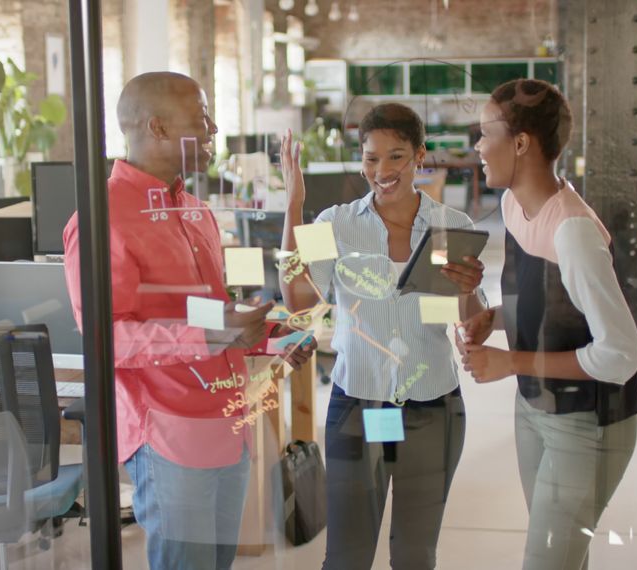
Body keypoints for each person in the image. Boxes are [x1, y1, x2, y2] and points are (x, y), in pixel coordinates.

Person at [62, 71, 316, 570]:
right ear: (157, 128)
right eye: (202, 120)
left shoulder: (197, 211)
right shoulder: (102, 218)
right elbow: (106, 339)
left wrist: (268, 337)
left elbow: (203, 313)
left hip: (228, 420)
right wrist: (212, 333)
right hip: (168, 431)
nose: (214, 130)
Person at [278, 103, 486, 569]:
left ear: (419, 155)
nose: (383, 170)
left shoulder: (452, 227)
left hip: (433, 407)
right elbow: (299, 301)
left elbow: (469, 325)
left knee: (416, 554)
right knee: (347, 556)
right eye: (371, 158)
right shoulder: (335, 223)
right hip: (359, 405)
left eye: (396, 156)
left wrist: (469, 292)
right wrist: (293, 206)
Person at [459, 78, 637, 570]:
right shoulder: (512, 205)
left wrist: (509, 361)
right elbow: (547, 302)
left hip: (587, 423)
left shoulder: (574, 231)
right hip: (533, 407)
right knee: (563, 558)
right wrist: (492, 319)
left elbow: (620, 354)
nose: (477, 146)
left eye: (485, 133)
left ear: (520, 143)